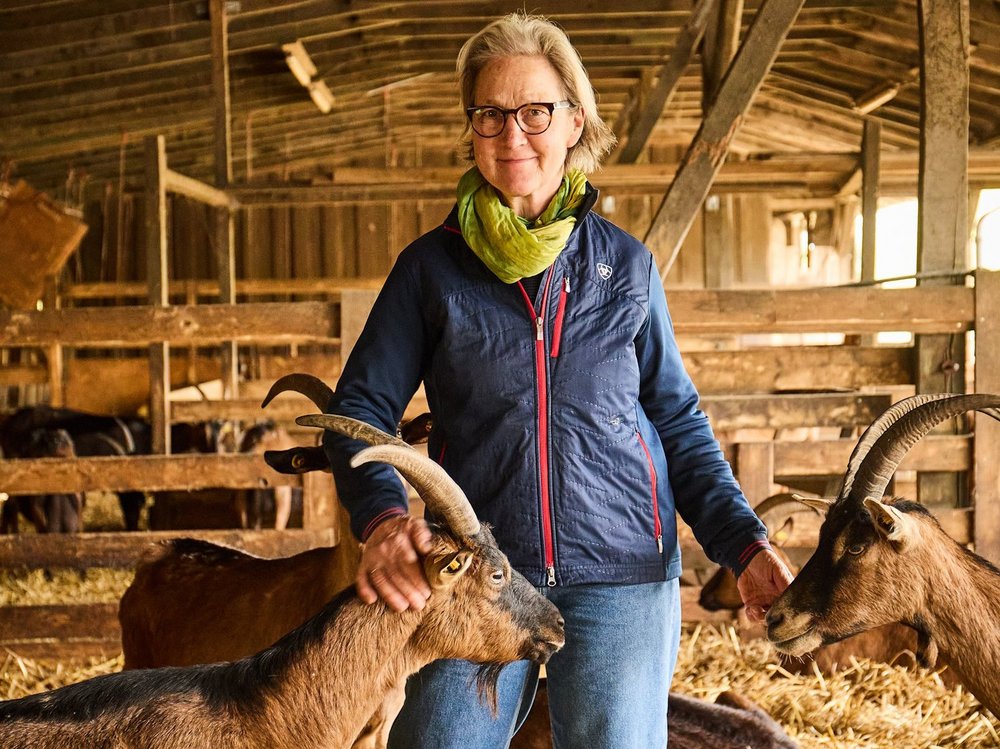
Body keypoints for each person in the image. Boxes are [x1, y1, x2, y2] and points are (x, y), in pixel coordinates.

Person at [323, 12, 794, 749]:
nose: (513, 134)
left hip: (621, 571)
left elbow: (676, 421)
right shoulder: (430, 271)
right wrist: (381, 522)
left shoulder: (627, 267)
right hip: (476, 572)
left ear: (575, 121)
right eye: (490, 114)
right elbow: (359, 407)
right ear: (471, 129)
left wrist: (744, 544)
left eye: (536, 111)